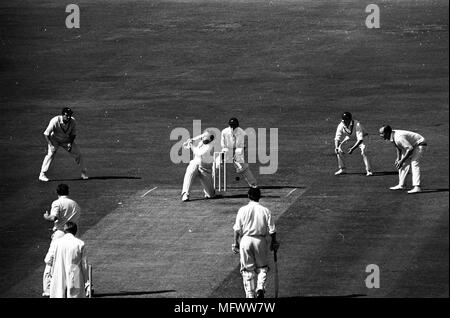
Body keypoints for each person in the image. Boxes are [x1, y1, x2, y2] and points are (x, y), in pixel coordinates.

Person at [232, 187, 279, 298]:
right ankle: (260, 288)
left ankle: (250, 295)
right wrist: (274, 242)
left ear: (248, 196)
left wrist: (235, 243)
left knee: (247, 270)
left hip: (246, 240)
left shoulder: (242, 210)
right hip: (260, 241)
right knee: (262, 267)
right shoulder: (265, 210)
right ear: (259, 197)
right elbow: (272, 230)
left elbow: (237, 229)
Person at [42, 183, 81, 296]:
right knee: (72, 261)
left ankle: (48, 289)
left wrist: (46, 217)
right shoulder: (75, 204)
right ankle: (73, 287)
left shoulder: (57, 203)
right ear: (68, 192)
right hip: (73, 235)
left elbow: (53, 217)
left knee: (50, 260)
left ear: (57, 192)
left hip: (60, 234)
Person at [39, 107, 88, 182]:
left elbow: (73, 134)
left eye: (69, 115)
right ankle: (42, 175)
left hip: (66, 140)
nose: (68, 117)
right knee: (50, 154)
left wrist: (70, 143)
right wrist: (51, 145)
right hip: (54, 140)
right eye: (67, 115)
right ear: (62, 115)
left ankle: (83, 173)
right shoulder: (55, 120)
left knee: (78, 154)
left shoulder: (73, 121)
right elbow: (46, 134)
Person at [44, 222, 90, 298]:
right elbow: (84, 265)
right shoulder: (80, 244)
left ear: (65, 231)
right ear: (75, 231)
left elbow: (48, 259)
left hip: (58, 274)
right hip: (75, 275)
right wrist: (86, 281)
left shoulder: (56, 243)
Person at [379, 125, 427, 193]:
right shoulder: (392, 135)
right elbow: (398, 146)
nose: (380, 135)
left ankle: (417, 187)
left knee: (414, 163)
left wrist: (402, 160)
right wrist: (398, 158)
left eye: (381, 133)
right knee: (403, 164)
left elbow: (410, 149)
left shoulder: (398, 137)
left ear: (387, 133)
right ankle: (401, 185)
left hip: (419, 144)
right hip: (411, 145)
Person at [221, 117, 258, 187]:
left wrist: (237, 156)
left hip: (238, 151)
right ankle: (211, 187)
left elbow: (242, 146)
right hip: (227, 151)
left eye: (234, 125)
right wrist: (224, 155)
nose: (232, 127)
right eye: (231, 125)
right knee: (216, 166)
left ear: (237, 125)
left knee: (244, 167)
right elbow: (223, 145)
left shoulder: (242, 132)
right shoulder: (224, 132)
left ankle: (253, 184)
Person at [181, 129, 216, 202]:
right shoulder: (201, 142)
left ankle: (210, 193)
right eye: (203, 137)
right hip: (196, 164)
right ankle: (185, 194)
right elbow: (186, 147)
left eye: (206, 137)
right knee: (191, 168)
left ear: (211, 138)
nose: (203, 138)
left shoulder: (210, 146)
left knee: (210, 195)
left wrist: (191, 145)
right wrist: (187, 143)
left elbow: (198, 152)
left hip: (205, 169)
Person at [334, 112, 373, 176]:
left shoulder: (357, 124)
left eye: (347, 120)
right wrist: (336, 147)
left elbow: (360, 139)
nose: (345, 122)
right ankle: (342, 169)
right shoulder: (341, 125)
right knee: (339, 150)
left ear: (350, 119)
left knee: (364, 151)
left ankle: (369, 171)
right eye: (344, 120)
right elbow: (337, 138)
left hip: (363, 137)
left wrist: (352, 149)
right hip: (350, 138)